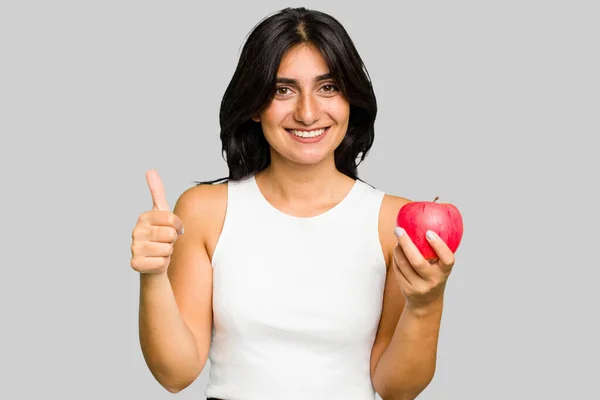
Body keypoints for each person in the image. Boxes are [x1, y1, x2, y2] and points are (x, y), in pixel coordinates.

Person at [130, 6, 456, 400]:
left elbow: (396, 389)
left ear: (350, 99)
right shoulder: (205, 211)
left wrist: (426, 304)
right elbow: (175, 374)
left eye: (328, 87)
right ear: (254, 105)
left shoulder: (392, 221)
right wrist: (153, 277)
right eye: (282, 90)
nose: (307, 112)